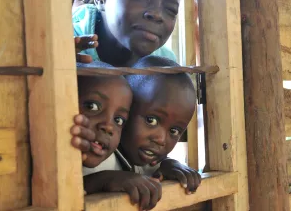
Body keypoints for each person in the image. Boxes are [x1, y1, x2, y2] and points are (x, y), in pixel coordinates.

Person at [71, 56, 201, 210]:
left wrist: (170, 165)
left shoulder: (146, 162)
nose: (160, 139)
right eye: (151, 120)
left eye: (174, 131)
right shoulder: (92, 153)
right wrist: (102, 180)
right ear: (130, 106)